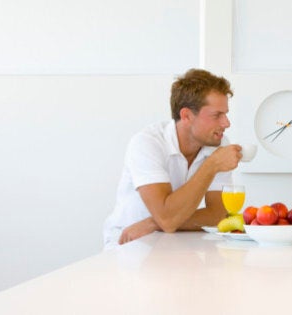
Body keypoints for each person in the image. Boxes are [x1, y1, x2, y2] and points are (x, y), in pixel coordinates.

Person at [103, 69, 241, 249]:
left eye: (226, 114)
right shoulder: (147, 144)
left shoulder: (217, 144)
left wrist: (154, 223)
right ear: (186, 116)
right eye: (217, 115)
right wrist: (212, 165)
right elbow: (167, 220)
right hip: (129, 243)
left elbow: (218, 216)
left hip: (170, 242)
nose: (226, 123)